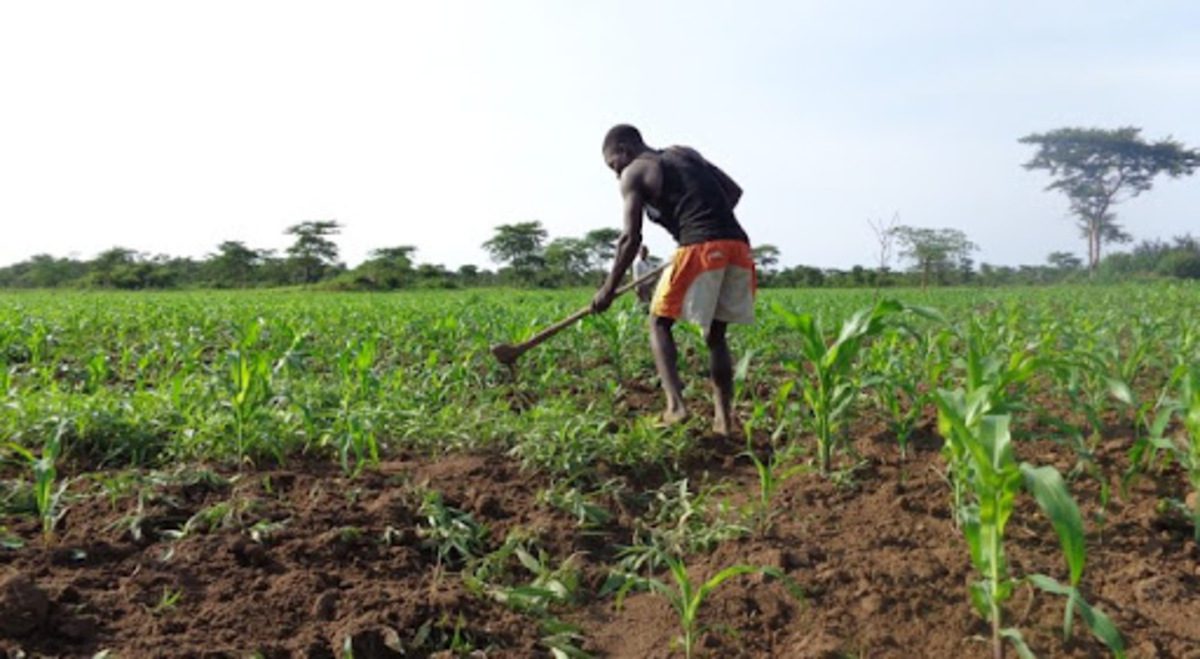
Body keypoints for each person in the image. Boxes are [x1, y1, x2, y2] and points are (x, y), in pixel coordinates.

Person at [590, 124, 755, 437]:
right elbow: (733, 192)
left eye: (614, 165)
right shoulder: (685, 153)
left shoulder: (635, 172)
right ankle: (724, 420)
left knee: (658, 322)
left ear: (624, 150)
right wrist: (705, 222)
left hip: (700, 246)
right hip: (738, 247)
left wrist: (608, 288)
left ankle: (675, 407)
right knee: (715, 336)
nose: (616, 174)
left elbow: (630, 238)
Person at [632, 245, 659, 310]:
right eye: (642, 252)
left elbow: (652, 271)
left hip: (650, 284)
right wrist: (638, 287)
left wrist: (654, 280)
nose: (644, 253)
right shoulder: (637, 263)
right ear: (639, 252)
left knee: (649, 301)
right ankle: (635, 312)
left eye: (646, 252)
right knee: (643, 302)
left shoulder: (648, 261)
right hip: (642, 285)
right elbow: (637, 277)